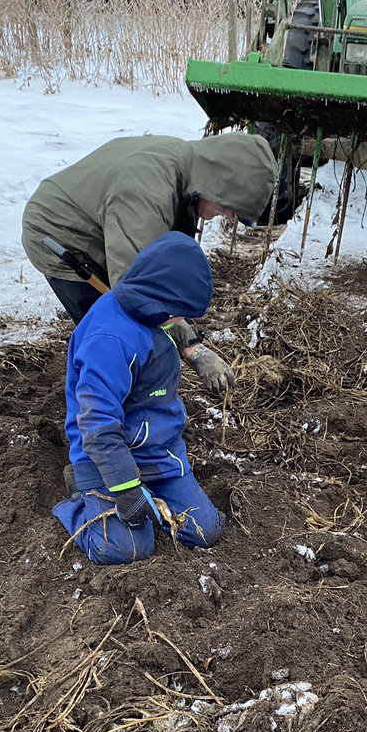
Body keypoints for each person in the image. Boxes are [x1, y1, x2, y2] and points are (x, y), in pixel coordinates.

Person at [22, 132, 277, 395]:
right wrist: (191, 348)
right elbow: (138, 290)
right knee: (119, 334)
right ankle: (101, 411)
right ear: (215, 179)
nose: (228, 215)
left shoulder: (186, 172)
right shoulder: (145, 192)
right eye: (227, 206)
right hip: (60, 236)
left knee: (144, 329)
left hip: (104, 230)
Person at [53, 231, 224, 566]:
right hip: (104, 456)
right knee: (126, 547)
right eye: (178, 313)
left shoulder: (153, 312)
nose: (180, 321)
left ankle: (152, 489)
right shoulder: (111, 339)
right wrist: (127, 488)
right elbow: (97, 424)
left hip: (156, 450)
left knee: (203, 532)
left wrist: (196, 354)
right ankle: (77, 501)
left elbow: (155, 386)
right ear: (159, 299)